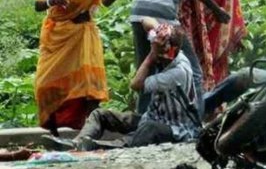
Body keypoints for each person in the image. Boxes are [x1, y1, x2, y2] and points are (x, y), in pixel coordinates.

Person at [44, 20, 201, 150]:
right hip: (151, 117)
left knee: (149, 129)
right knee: (100, 114)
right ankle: (78, 142)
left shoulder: (178, 72)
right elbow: (146, 20)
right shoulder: (164, 45)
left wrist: (151, 56)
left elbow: (136, 85)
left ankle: (100, 146)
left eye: (160, 54)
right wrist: (156, 31)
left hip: (174, 128)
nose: (158, 58)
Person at [34, 0, 125, 134]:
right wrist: (52, 0)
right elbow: (38, 3)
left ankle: (90, 130)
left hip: (84, 35)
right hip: (57, 35)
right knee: (45, 85)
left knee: (89, 86)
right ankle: (56, 128)